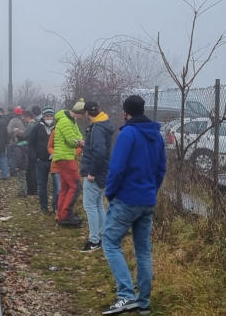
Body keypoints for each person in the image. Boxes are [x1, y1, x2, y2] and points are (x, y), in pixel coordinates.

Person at [101, 95, 166, 316]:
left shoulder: (128, 133)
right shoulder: (156, 135)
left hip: (126, 199)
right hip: (147, 200)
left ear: (126, 112)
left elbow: (117, 168)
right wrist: (151, 190)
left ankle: (126, 295)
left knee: (110, 242)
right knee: (143, 251)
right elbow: (161, 169)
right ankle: (143, 303)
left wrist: (110, 193)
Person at [80, 100, 114, 253]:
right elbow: (100, 148)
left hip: (95, 173)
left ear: (86, 112)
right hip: (104, 171)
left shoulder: (97, 128)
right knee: (99, 204)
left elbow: (99, 152)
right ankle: (103, 236)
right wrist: (86, 143)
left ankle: (94, 241)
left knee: (90, 206)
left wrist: (91, 173)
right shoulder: (104, 124)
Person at [53, 100, 86, 226]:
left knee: (66, 186)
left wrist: (79, 139)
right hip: (65, 157)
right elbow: (72, 140)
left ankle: (61, 215)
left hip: (64, 156)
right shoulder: (66, 121)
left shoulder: (70, 120)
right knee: (76, 185)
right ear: (78, 113)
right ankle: (67, 215)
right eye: (82, 115)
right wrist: (80, 142)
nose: (83, 118)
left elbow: (78, 135)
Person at [30, 106, 59, 214]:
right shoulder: (37, 128)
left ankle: (56, 206)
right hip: (41, 161)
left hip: (55, 160)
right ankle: (44, 206)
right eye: (47, 116)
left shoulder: (58, 127)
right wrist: (35, 158)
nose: (49, 118)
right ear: (44, 116)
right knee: (42, 184)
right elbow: (31, 144)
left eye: (51, 116)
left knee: (57, 184)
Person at [14, 111, 34, 197]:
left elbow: (19, 157)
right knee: (25, 178)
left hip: (21, 165)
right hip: (26, 164)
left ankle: (23, 192)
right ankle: (25, 191)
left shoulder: (18, 148)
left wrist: (17, 166)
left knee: (21, 179)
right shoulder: (26, 146)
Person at [6, 107, 25, 173]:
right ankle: (20, 169)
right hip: (22, 143)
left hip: (13, 142)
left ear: (15, 113)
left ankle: (13, 171)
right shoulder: (24, 121)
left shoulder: (13, 121)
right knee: (20, 156)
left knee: (12, 156)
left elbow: (9, 131)